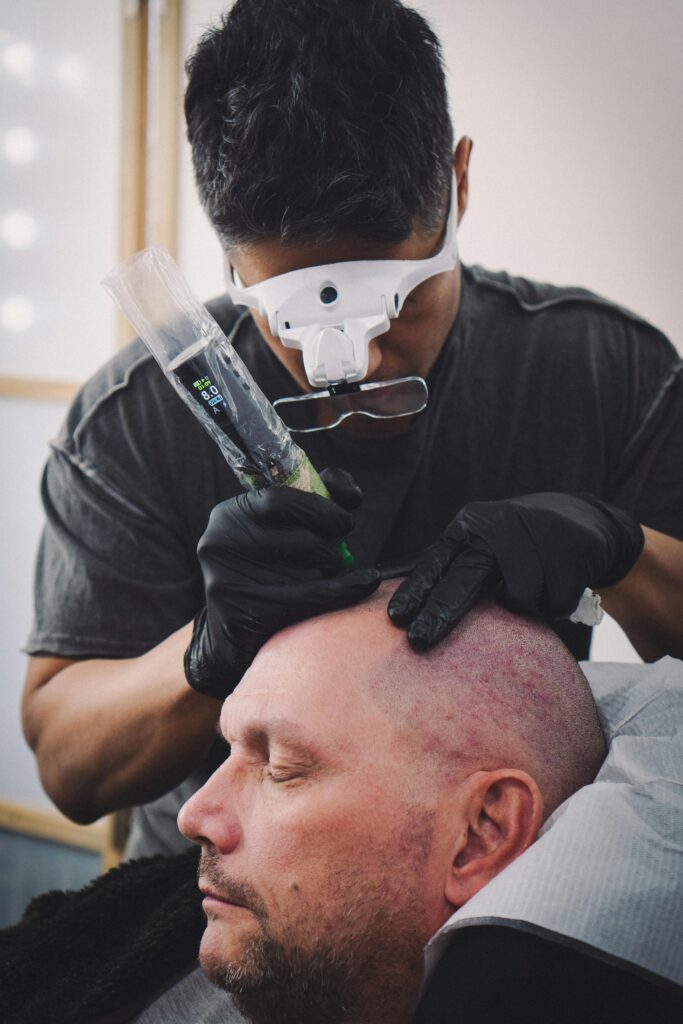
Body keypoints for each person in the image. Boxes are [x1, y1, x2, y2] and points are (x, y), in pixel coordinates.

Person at [22, 0, 683, 857]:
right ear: (229, 256)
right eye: (291, 321)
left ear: (458, 182)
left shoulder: (601, 369)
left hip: (502, 875)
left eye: (395, 304)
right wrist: (205, 651)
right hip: (215, 894)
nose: (357, 361)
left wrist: (617, 548)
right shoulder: (138, 418)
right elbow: (70, 773)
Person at [4, 594, 682, 1023]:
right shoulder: (89, 957)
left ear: (480, 835)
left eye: (280, 766)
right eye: (230, 752)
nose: (195, 816)